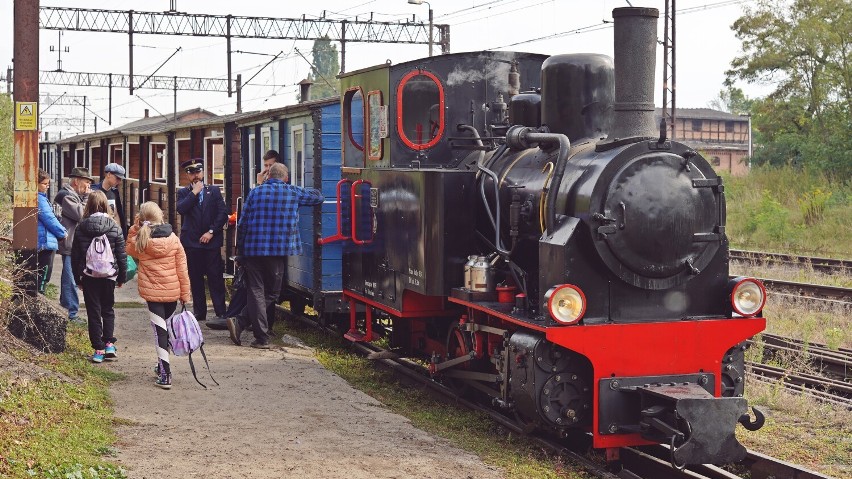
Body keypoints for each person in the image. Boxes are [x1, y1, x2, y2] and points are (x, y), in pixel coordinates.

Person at [227, 162, 323, 349]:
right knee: (270, 293)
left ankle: (253, 332)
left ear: (268, 176)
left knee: (255, 291)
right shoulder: (292, 191)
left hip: (253, 251)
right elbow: (318, 197)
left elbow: (243, 224)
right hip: (277, 252)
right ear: (286, 178)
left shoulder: (255, 192)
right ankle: (249, 329)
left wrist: (240, 253)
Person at [127, 202, 191, 389]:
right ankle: (162, 365)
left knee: (159, 333)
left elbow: (128, 248)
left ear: (141, 219)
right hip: (172, 293)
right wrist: (185, 294)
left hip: (153, 295)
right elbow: (182, 268)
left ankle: (165, 374)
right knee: (166, 331)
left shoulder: (141, 241)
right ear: (161, 217)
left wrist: (134, 227)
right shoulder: (174, 239)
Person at [72, 190, 127, 363]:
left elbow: (75, 255)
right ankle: (109, 343)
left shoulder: (81, 227)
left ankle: (98, 349)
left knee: (93, 312)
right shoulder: (114, 227)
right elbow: (121, 254)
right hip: (109, 276)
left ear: (88, 205)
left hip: (89, 276)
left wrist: (77, 278)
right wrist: (121, 277)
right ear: (106, 205)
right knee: (108, 309)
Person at [176, 158, 228, 323]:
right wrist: (194, 193)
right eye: (192, 173)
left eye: (198, 172)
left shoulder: (213, 191)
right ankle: (200, 312)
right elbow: (181, 209)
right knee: (196, 278)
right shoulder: (184, 193)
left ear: (203, 172)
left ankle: (220, 311)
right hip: (192, 243)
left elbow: (222, 213)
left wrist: (211, 231)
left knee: (215, 277)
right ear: (187, 176)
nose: (196, 176)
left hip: (211, 241)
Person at [54, 167, 93, 322]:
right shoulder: (66, 196)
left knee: (69, 275)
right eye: (86, 182)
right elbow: (81, 215)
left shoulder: (72, 195)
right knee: (71, 277)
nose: (88, 186)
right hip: (69, 243)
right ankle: (71, 312)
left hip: (71, 242)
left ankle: (66, 306)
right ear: (76, 181)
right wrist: (87, 198)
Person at [36, 169, 68, 295]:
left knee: (41, 276)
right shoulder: (40, 199)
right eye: (44, 184)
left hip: (44, 241)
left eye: (48, 184)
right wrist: (62, 233)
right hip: (45, 242)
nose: (47, 186)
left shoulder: (41, 198)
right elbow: (50, 219)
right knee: (44, 276)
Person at [92, 163, 127, 238]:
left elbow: (116, 213)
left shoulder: (115, 192)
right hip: (97, 232)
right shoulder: (94, 191)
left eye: (120, 179)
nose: (119, 181)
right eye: (117, 178)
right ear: (108, 174)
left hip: (111, 232)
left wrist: (119, 233)